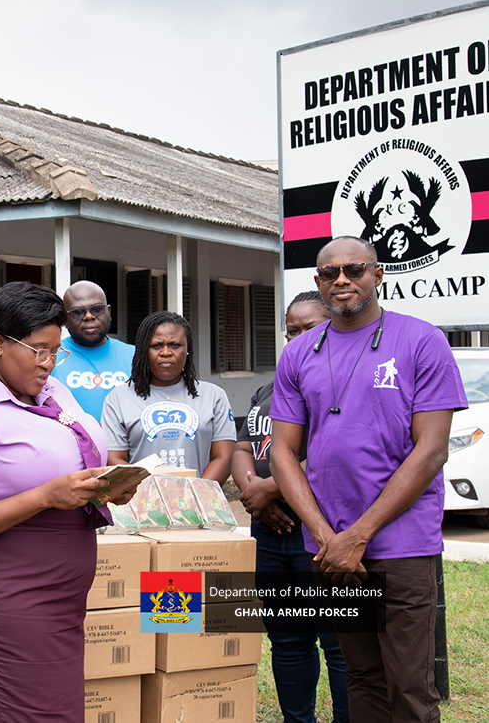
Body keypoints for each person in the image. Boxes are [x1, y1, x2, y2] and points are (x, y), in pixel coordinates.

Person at [270, 236, 466, 723]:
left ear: (377, 275)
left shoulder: (422, 340)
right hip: (332, 548)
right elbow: (284, 454)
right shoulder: (298, 355)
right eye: (329, 273)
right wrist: (326, 537)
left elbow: (432, 450)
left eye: (354, 270)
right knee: (362, 681)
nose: (342, 280)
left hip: (401, 547)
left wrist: (359, 535)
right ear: (317, 283)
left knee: (410, 688)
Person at [0, 281, 131, 723]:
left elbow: (71, 456)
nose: (49, 362)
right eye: (38, 350)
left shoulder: (51, 392)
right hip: (8, 595)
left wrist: (105, 485)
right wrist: (44, 497)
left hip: (61, 596)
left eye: (57, 350)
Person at [232, 291, 347, 723]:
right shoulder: (270, 387)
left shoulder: (341, 385)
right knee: (287, 641)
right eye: (291, 331)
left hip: (319, 535)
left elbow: (334, 450)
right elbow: (244, 445)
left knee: (337, 643)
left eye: (310, 328)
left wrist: (270, 489)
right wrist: (254, 494)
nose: (299, 338)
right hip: (269, 536)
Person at [102, 310, 235, 481]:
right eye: (156, 346)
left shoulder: (214, 396)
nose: (166, 352)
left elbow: (224, 458)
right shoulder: (118, 399)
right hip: (143, 502)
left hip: (199, 502)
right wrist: (154, 494)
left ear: (188, 349)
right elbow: (115, 460)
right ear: (144, 351)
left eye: (175, 345)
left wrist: (197, 494)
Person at [55, 280, 134, 422]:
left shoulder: (135, 356)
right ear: (65, 319)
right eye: (78, 312)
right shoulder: (52, 356)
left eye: (97, 309)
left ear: (108, 312)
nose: (89, 316)